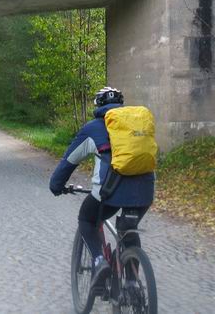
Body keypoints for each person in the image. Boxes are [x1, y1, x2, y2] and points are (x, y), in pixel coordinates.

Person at [49, 87, 155, 289]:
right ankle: (132, 282)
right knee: (128, 229)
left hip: (109, 192)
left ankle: (99, 262)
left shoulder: (92, 128)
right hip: (145, 191)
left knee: (86, 218)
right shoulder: (135, 127)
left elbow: (69, 161)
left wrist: (56, 185)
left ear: (97, 105)